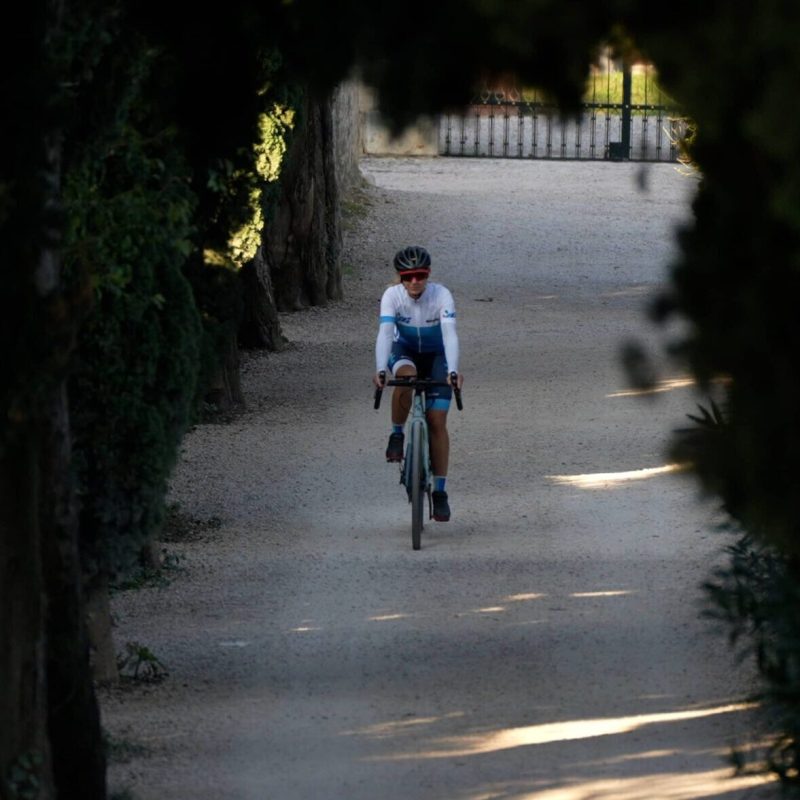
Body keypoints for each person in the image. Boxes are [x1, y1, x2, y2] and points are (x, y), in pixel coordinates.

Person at [373, 245, 464, 521]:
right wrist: (379, 369)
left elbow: (449, 335)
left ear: (428, 274)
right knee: (405, 376)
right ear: (400, 277)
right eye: (408, 276)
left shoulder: (441, 295)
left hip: (437, 355)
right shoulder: (392, 296)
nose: (415, 282)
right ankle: (397, 433)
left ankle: (439, 492)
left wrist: (454, 370)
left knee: (437, 421)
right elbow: (385, 334)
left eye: (420, 275)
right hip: (406, 352)